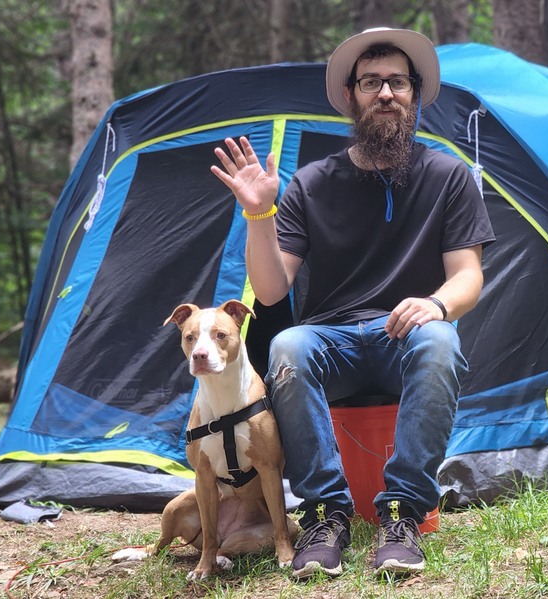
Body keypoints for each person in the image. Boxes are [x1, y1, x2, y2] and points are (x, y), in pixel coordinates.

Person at [210, 28, 494, 579]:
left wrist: (435, 305)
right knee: (288, 342)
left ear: (415, 95)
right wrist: (258, 215)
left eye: (397, 83)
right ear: (350, 96)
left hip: (405, 338)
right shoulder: (312, 183)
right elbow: (271, 292)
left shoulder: (448, 176)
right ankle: (324, 515)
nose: (385, 93)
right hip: (332, 340)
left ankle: (403, 514)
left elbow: (468, 277)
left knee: (440, 338)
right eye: (370, 83)